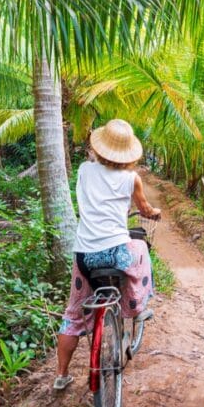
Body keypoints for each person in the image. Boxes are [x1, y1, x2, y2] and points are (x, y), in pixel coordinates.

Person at [53, 119, 161, 390]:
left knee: (73, 314)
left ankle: (61, 375)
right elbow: (145, 209)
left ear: (99, 148)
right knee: (140, 248)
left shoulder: (84, 170)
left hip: (85, 256)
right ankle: (136, 306)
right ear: (128, 153)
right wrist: (153, 213)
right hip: (116, 253)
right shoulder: (131, 179)